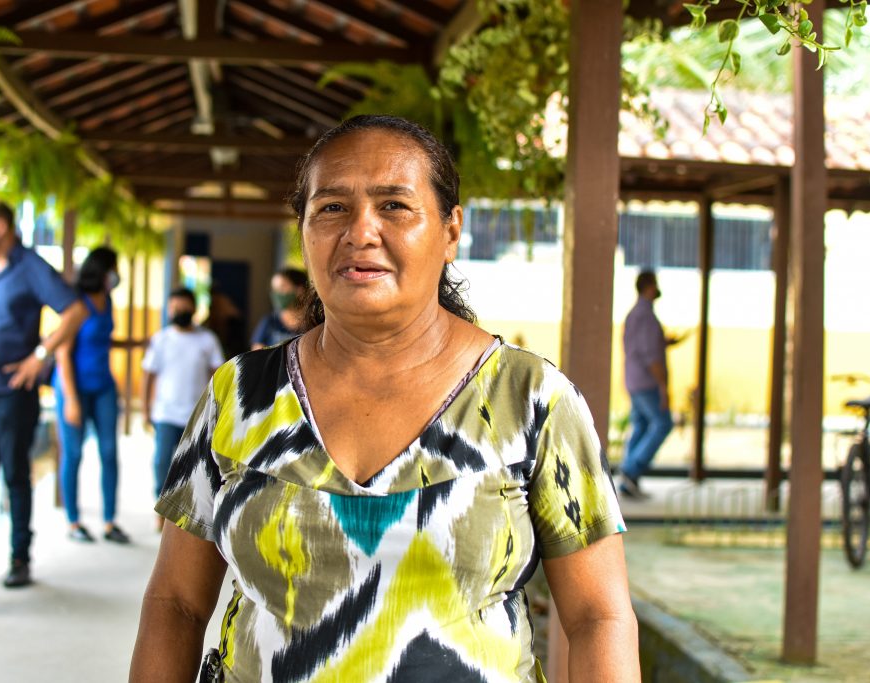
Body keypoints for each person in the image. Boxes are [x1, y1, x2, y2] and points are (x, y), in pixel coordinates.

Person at [131, 115, 638, 681]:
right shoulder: (239, 395)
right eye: (331, 208)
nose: (360, 231)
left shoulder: (532, 400)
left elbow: (599, 616)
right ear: (303, 230)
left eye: (394, 205)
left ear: (451, 232)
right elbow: (175, 603)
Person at [0, 201, 88, 588]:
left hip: (13, 391)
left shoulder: (30, 266)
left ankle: (19, 559)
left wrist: (38, 357)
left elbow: (74, 311)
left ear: (1, 226)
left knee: (14, 475)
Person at [52, 246, 129, 544]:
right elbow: (62, 353)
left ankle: (110, 522)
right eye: (113, 268)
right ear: (101, 269)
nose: (115, 275)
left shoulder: (107, 300)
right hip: (74, 387)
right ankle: (74, 522)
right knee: (73, 453)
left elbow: (101, 340)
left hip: (103, 386)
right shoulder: (77, 303)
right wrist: (70, 399)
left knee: (109, 452)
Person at [141, 288, 224, 529]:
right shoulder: (161, 339)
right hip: (165, 414)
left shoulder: (207, 340)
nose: (179, 312)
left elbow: (218, 375)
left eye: (184, 307)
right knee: (162, 463)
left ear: (194, 308)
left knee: (193, 467)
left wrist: (218, 411)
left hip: (196, 416)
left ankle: (186, 515)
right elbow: (148, 375)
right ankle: (162, 510)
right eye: (174, 307)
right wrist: (146, 410)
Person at [618, 270, 683, 499]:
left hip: (634, 380)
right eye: (655, 284)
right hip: (647, 382)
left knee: (642, 425)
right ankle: (631, 469)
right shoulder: (645, 316)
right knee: (662, 423)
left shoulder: (635, 314)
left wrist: (664, 342)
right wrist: (664, 387)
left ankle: (628, 477)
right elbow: (650, 357)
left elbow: (643, 345)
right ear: (648, 287)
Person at [250, 267, 307, 349]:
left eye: (282, 287)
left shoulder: (313, 324)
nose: (276, 293)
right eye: (274, 289)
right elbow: (256, 355)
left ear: (300, 290)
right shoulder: (269, 322)